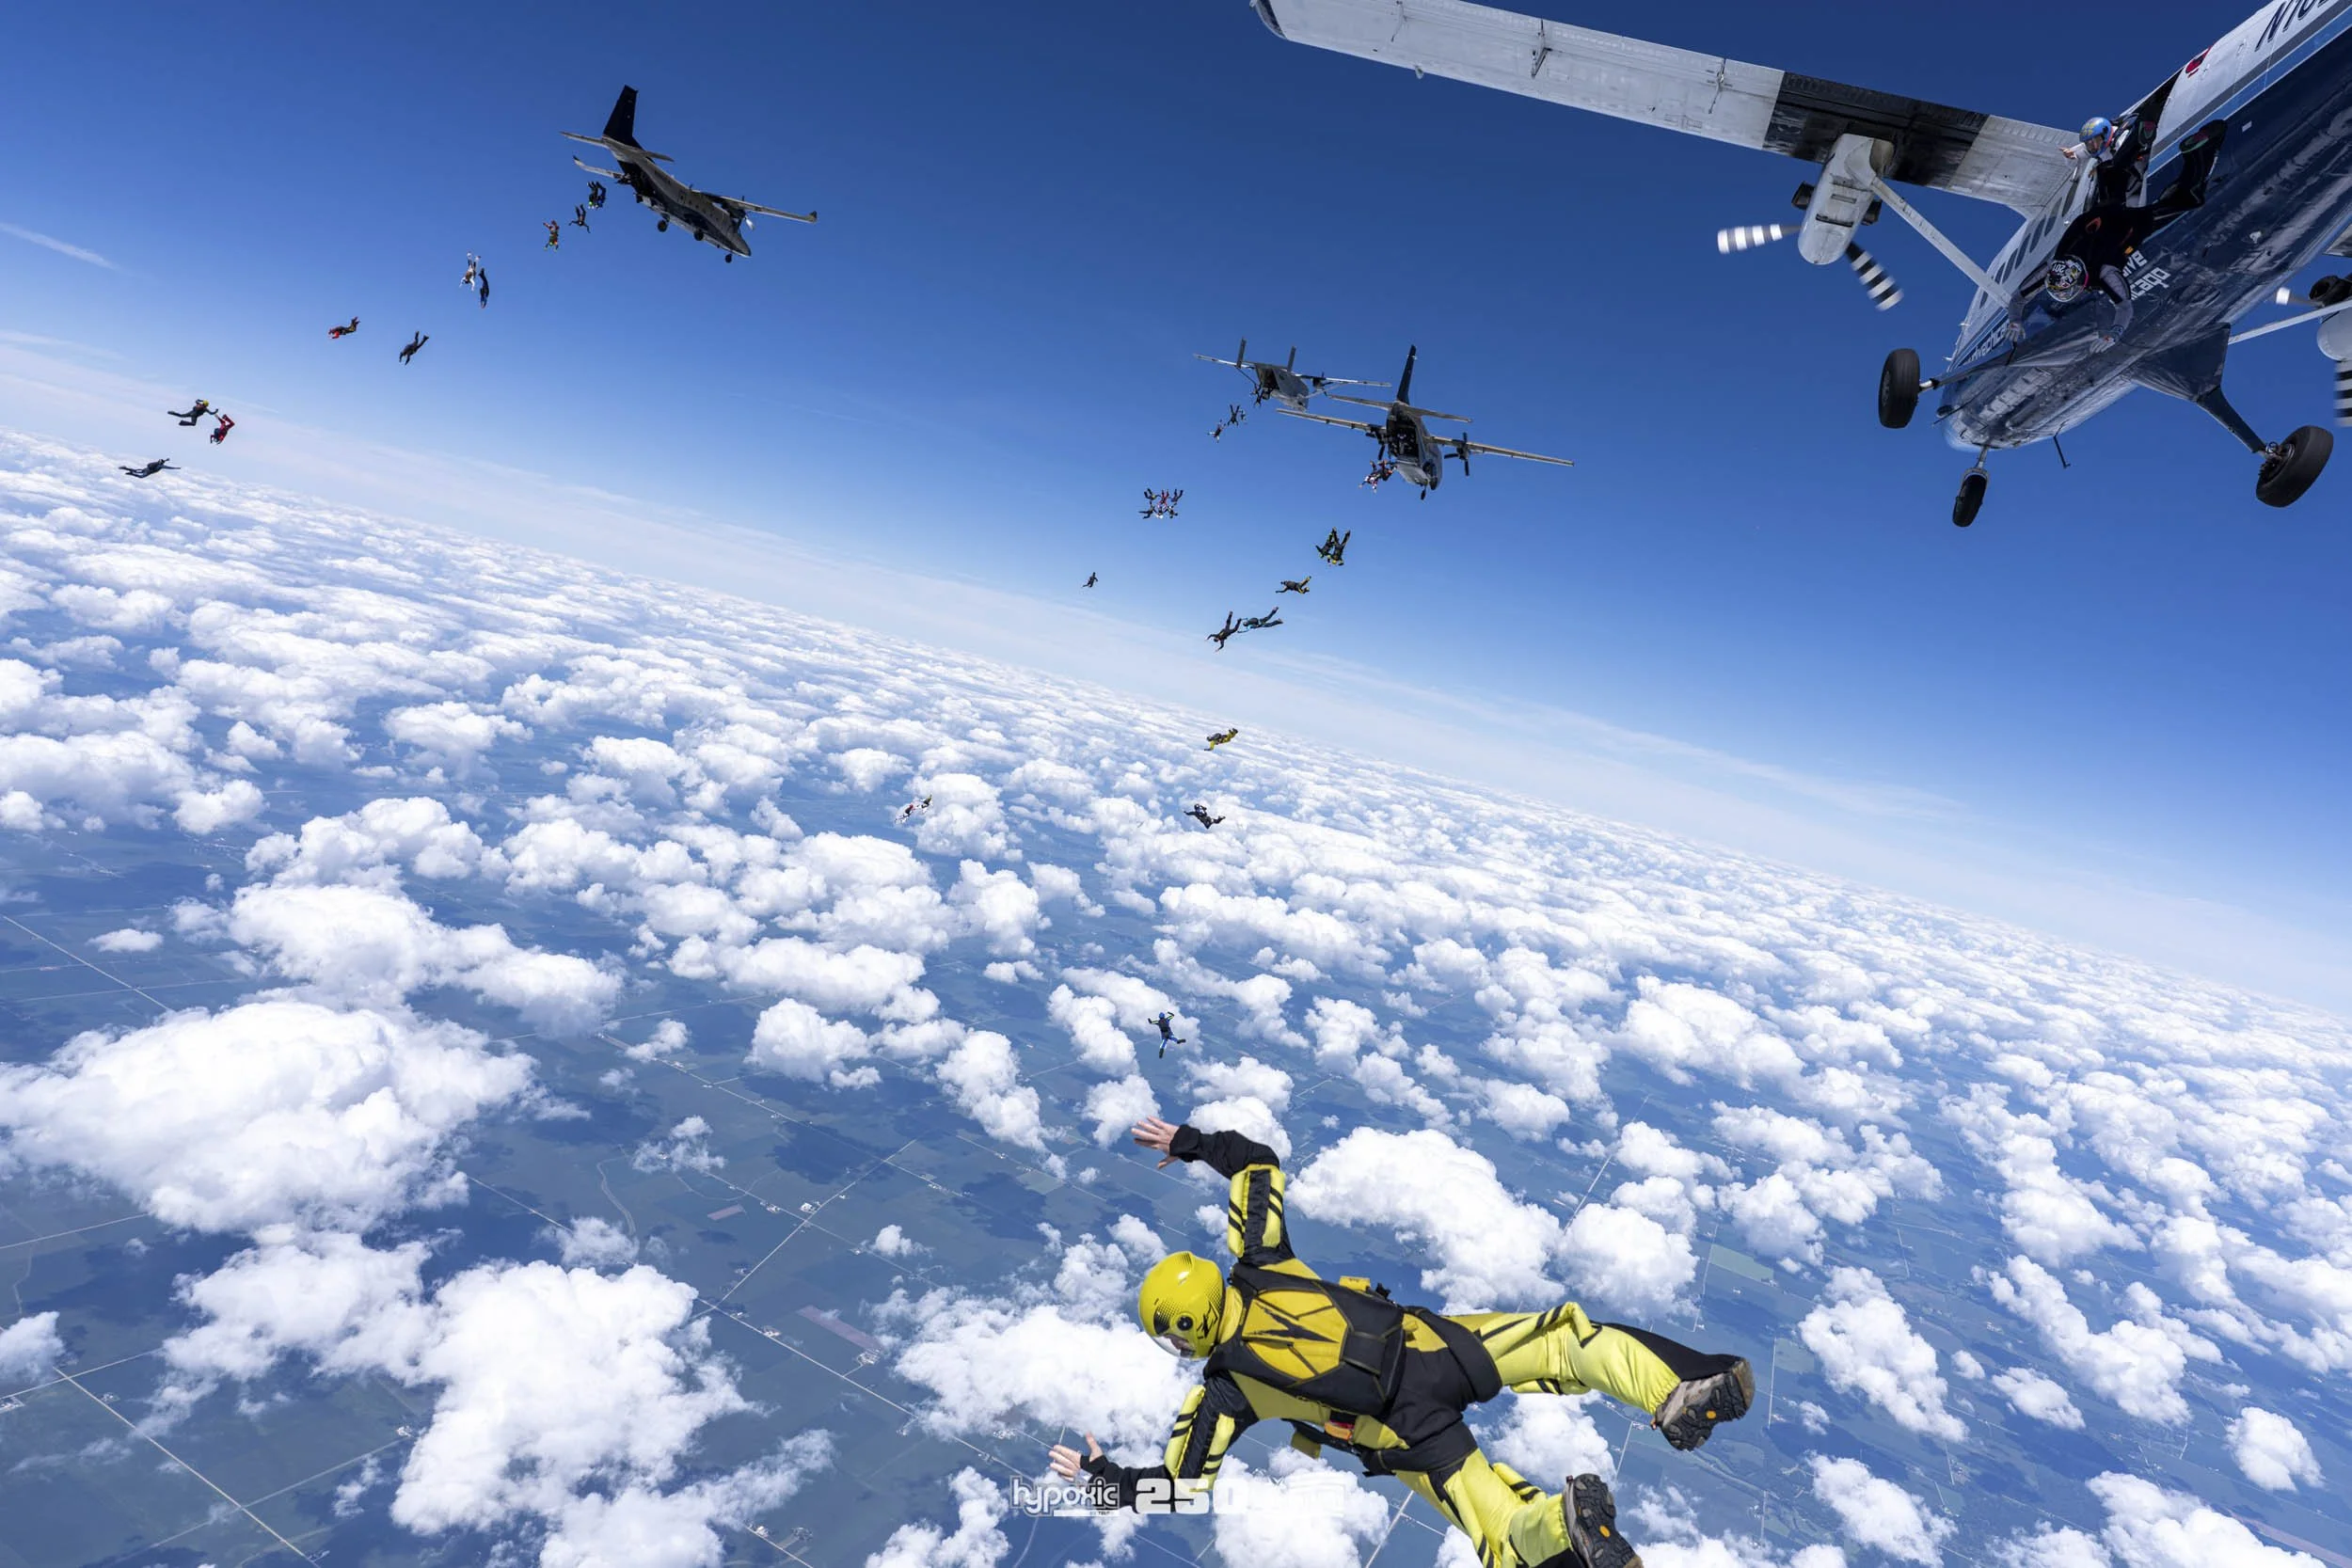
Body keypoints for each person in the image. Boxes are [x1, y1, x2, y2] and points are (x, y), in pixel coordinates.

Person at [1048, 1117, 1755, 1568]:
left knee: (1501, 1530)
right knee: (1564, 1343)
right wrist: (1188, 1142)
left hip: (1405, 1430)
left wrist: (1105, 1478)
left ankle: (1562, 1526)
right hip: (1430, 1342)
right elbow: (1257, 1163)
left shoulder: (1223, 1393)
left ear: (1186, 1330)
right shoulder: (1259, 1263)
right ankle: (1675, 1390)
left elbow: (1180, 1489)